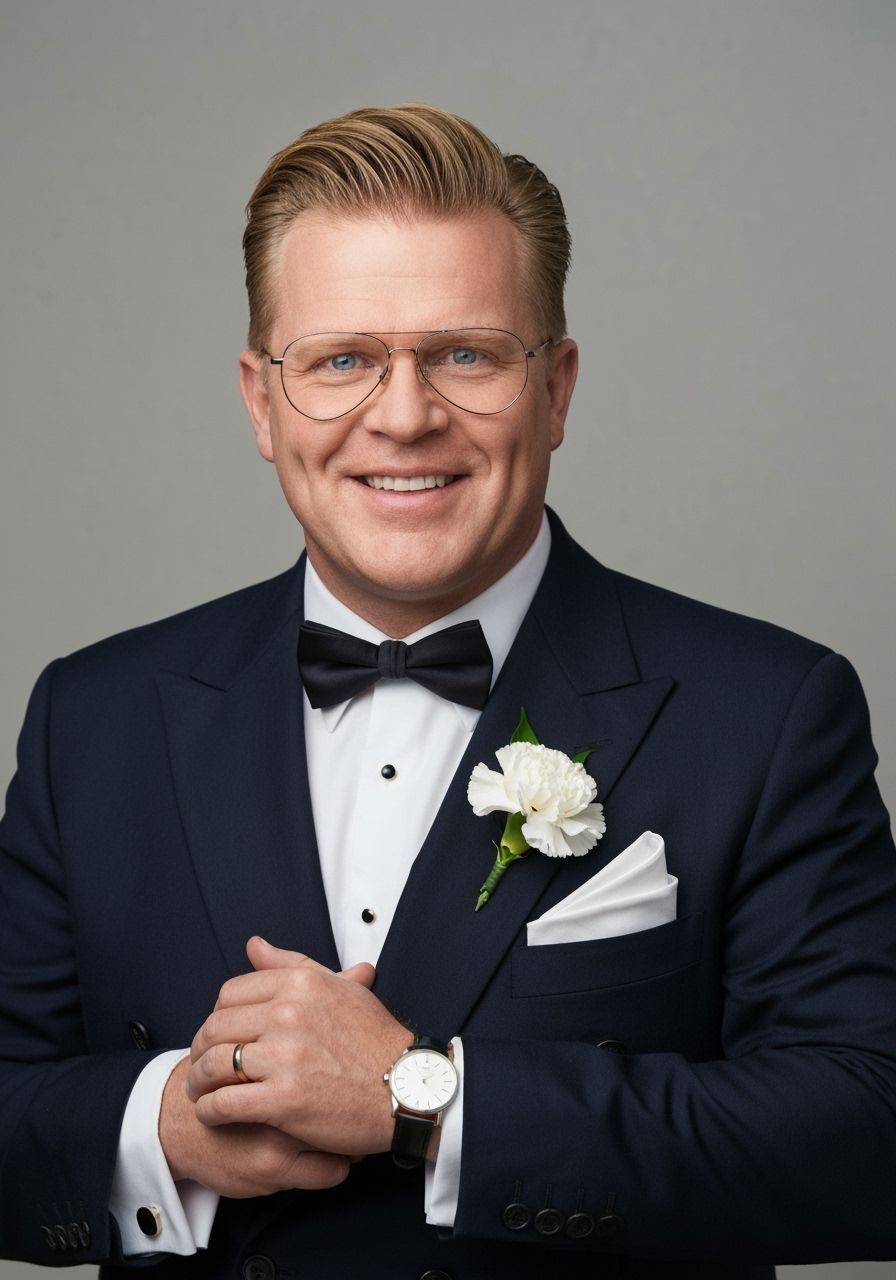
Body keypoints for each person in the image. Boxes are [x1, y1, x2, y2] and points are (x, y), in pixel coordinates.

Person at [1, 104, 894, 1280]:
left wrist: (422, 1099)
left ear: (555, 386)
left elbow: (863, 1135)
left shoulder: (770, 710)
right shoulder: (91, 718)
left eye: (464, 352)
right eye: (339, 359)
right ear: (261, 402)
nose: (406, 412)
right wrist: (160, 1127)